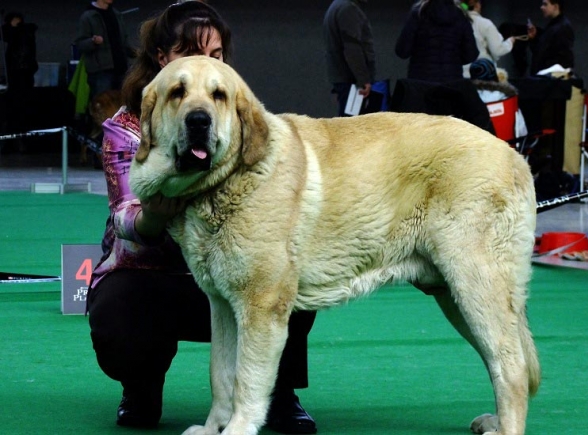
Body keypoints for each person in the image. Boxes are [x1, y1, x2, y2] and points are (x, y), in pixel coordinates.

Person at [87, 3, 317, 434]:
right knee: (118, 311)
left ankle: (279, 393)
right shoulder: (127, 127)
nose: (203, 64)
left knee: (283, 274)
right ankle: (140, 388)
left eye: (215, 56)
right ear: (161, 58)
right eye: (188, 52)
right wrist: (158, 209)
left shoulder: (241, 116)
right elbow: (124, 218)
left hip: (227, 267)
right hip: (155, 276)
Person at [395, 0, 479, 83]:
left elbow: (402, 51)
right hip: (452, 84)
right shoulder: (461, 15)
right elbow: (471, 55)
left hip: (420, 85)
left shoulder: (418, 13)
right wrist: (453, 61)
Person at [323, 0, 376, 116]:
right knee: (353, 127)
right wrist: (363, 80)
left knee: (347, 124)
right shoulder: (348, 9)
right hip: (353, 83)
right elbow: (352, 49)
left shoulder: (337, 5)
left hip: (344, 79)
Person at [74, 0, 135, 100]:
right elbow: (80, 44)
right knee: (103, 103)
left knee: (121, 103)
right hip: (101, 71)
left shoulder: (116, 14)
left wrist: (135, 53)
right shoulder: (88, 16)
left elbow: (123, 40)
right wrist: (93, 41)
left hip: (121, 68)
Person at [462, 0, 515, 77]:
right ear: (477, 5)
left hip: (462, 73)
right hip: (482, 74)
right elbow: (497, 51)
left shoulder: (457, 24)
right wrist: (510, 42)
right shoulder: (485, 23)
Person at [526, 0, 574, 75]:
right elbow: (541, 53)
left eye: (545, 4)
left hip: (551, 80)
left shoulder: (562, 27)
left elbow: (564, 59)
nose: (541, 7)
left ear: (555, 6)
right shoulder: (552, 26)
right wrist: (534, 38)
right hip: (545, 78)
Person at [1, 11, 38, 92]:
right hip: (18, 66)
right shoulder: (18, 31)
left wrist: (12, 27)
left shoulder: (24, 31)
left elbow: (7, 34)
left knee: (22, 87)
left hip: (21, 66)